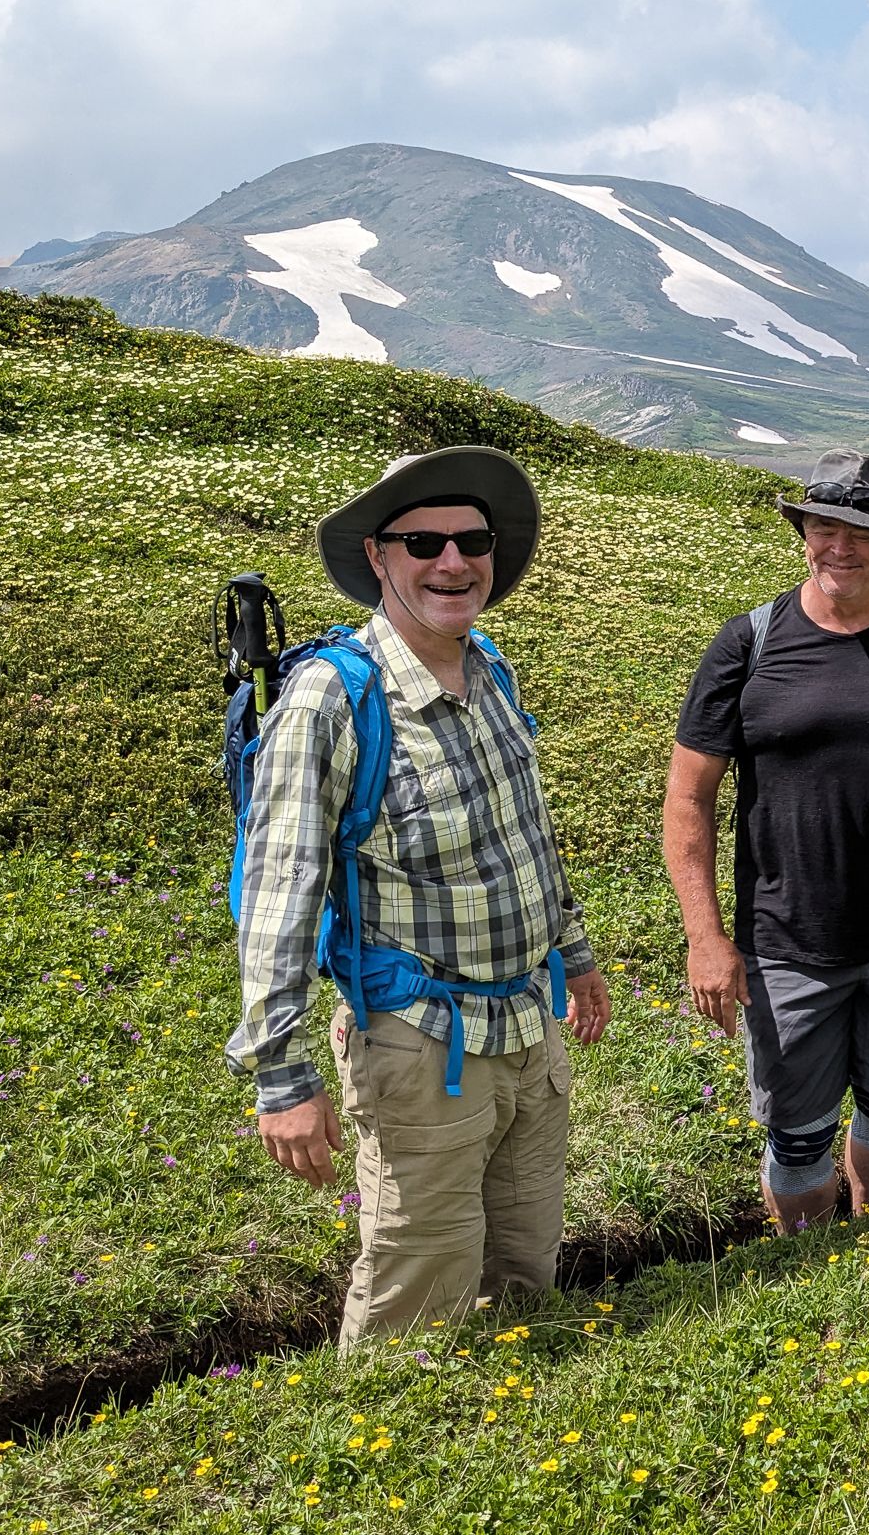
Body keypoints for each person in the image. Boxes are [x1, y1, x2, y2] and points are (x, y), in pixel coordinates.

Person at [226, 446, 611, 1349]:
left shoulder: (490, 670)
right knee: (418, 1291)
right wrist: (281, 1077)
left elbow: (528, 834)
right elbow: (279, 898)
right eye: (424, 541)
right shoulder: (330, 700)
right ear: (378, 557)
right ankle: (388, 1456)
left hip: (527, 1025)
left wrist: (576, 953)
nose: (453, 560)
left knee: (525, 1269)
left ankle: (518, 1448)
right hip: (418, 1042)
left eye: (471, 539)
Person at [665, 447, 869, 1234]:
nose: (840, 547)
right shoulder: (747, 643)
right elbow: (689, 796)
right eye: (824, 526)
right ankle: (809, 1263)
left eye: (862, 530)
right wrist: (704, 936)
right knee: (798, 1133)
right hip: (788, 940)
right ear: (803, 531)